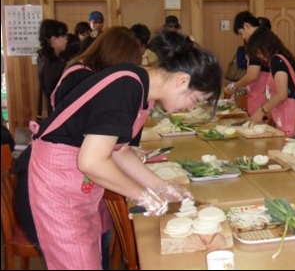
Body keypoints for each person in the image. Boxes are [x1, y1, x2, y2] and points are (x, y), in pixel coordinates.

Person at [26, 30, 222, 269]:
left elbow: (119, 150)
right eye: (196, 100)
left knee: (87, 257)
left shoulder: (142, 89)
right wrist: (143, 195)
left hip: (77, 183)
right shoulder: (126, 85)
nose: (191, 108)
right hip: (58, 182)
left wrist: (161, 186)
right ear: (182, 80)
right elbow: (92, 162)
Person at [245, 27, 295, 136]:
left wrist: (261, 110)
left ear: (264, 47)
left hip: (292, 117)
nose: (258, 56)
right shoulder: (284, 57)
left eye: (257, 52)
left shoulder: (277, 60)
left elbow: (282, 94)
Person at [224, 11, 271, 115]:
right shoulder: (266, 40)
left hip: (262, 95)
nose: (243, 37)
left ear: (247, 26)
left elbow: (253, 75)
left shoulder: (256, 43)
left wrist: (234, 86)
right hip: (259, 94)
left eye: (241, 33)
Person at [37, 19, 68, 116]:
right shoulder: (54, 64)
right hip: (59, 113)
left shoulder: (43, 58)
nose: (66, 39)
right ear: (53, 39)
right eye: (63, 36)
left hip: (53, 111)